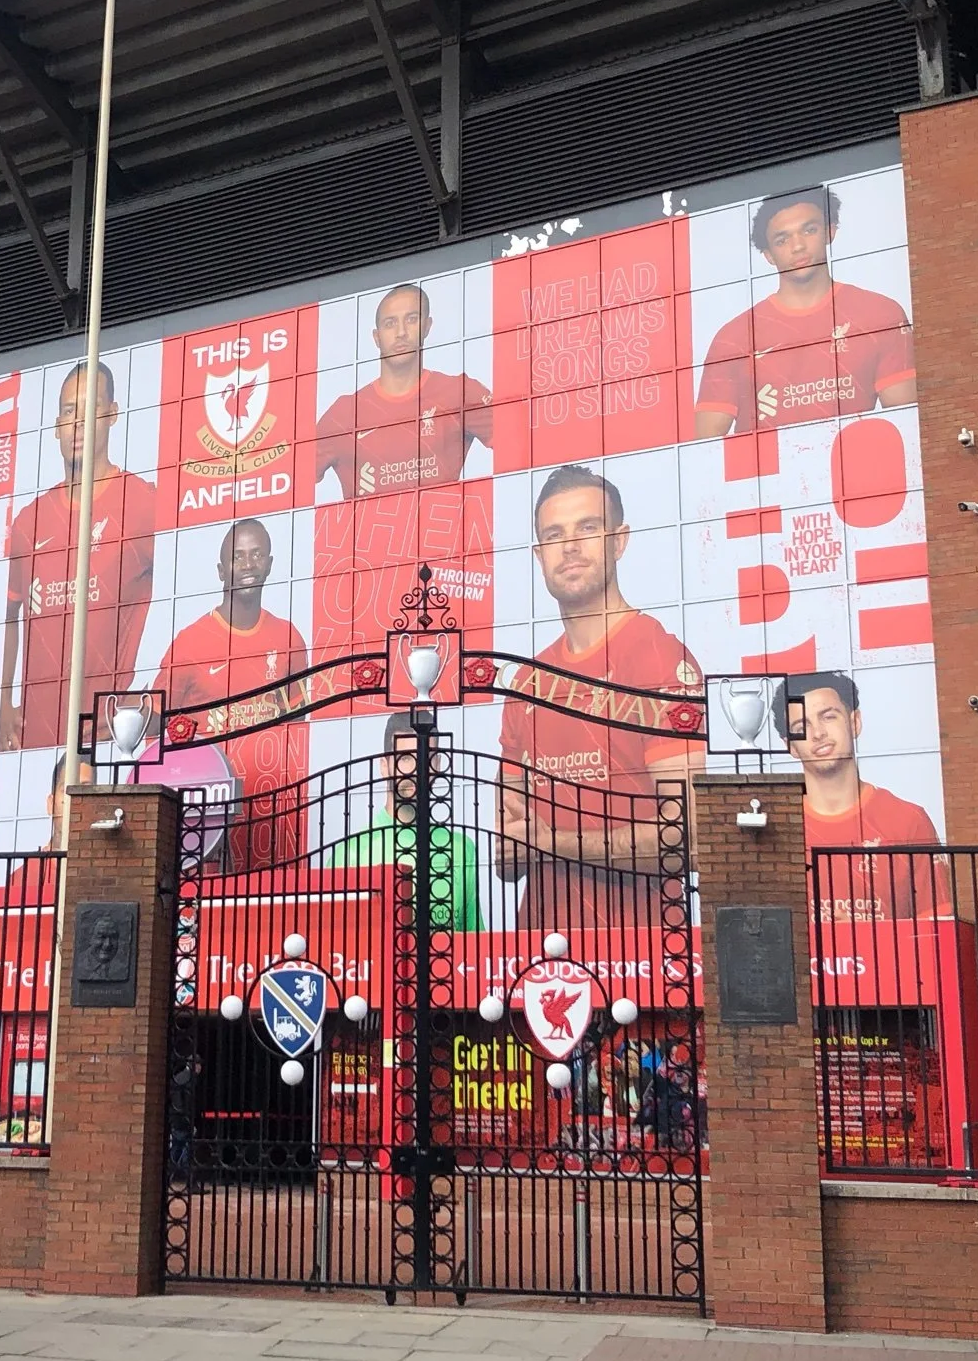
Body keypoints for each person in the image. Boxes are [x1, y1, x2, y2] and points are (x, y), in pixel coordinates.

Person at [498, 466, 703, 924]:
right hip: (538, 950)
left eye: (587, 528)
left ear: (619, 541)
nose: (570, 546)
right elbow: (507, 857)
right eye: (554, 535)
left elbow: (688, 838)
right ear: (539, 555)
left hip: (643, 950)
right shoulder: (527, 683)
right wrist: (513, 844)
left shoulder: (657, 657)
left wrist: (550, 844)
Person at [0, 361, 159, 754]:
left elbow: (180, 594)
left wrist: (146, 702)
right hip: (35, 738)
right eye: (69, 411)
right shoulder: (29, 520)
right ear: (56, 426)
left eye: (91, 408)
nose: (78, 423)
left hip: (106, 737)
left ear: (112, 414)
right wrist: (3, 700)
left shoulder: (142, 502)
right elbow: (9, 616)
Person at [693, 186, 915, 438]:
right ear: (768, 255)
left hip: (853, 460)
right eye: (782, 239)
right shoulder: (734, 338)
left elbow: (906, 426)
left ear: (829, 232)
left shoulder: (880, 314)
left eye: (809, 230)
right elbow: (706, 447)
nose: (797, 246)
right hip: (763, 464)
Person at [157, 519, 308, 863]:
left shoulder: (289, 638)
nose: (248, 564)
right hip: (207, 811)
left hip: (271, 805)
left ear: (269, 564)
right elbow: (158, 724)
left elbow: (298, 727)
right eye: (238, 557)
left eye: (256, 555)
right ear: (221, 570)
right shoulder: (189, 643)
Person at [780, 671, 946, 919]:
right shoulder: (779, 828)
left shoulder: (908, 819)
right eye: (801, 727)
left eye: (828, 717)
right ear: (790, 746)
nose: (818, 733)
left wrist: (865, 935)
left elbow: (937, 923)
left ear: (854, 722)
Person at [312, 281, 494, 498]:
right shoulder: (345, 413)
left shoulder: (459, 392)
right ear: (376, 337)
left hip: (439, 519)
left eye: (411, 319)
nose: (401, 332)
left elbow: (519, 440)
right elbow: (291, 477)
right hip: (368, 522)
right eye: (390, 323)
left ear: (427, 326)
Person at [318, 711, 485, 930]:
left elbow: (474, 940)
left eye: (426, 757)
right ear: (384, 765)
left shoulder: (461, 848)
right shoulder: (351, 852)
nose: (416, 770)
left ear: (438, 764)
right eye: (405, 758)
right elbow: (336, 939)